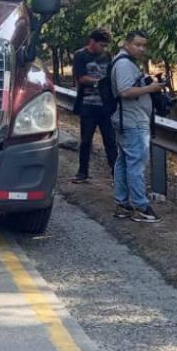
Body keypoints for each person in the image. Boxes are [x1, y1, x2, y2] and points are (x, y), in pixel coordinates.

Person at [111, 30, 165, 223]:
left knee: (124, 162)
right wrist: (152, 88)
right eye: (137, 44)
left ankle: (123, 204)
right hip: (132, 121)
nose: (142, 49)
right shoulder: (124, 64)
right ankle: (141, 207)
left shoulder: (124, 62)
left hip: (127, 119)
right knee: (135, 164)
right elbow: (125, 91)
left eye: (144, 45)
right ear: (127, 44)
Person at [71, 28, 118, 184]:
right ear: (92, 42)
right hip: (88, 106)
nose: (103, 49)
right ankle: (82, 172)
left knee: (110, 142)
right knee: (86, 141)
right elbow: (81, 78)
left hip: (105, 106)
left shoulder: (107, 56)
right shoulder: (80, 55)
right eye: (101, 45)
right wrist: (99, 82)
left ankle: (116, 174)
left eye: (105, 46)